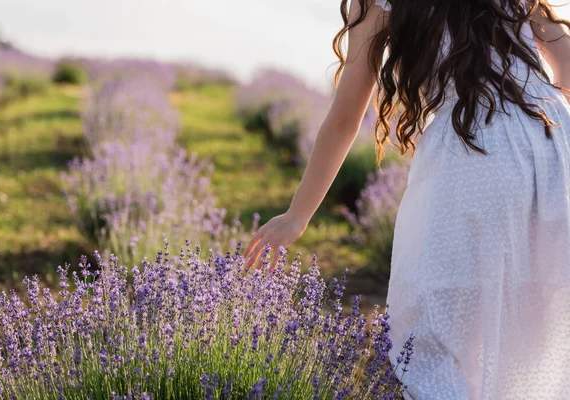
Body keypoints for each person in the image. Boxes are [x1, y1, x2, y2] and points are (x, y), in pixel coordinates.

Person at [243, 0, 570, 399]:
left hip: (477, 143)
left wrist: (298, 214)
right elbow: (567, 61)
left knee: (433, 326)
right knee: (539, 307)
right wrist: (534, 116)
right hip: (553, 139)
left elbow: (346, 118)